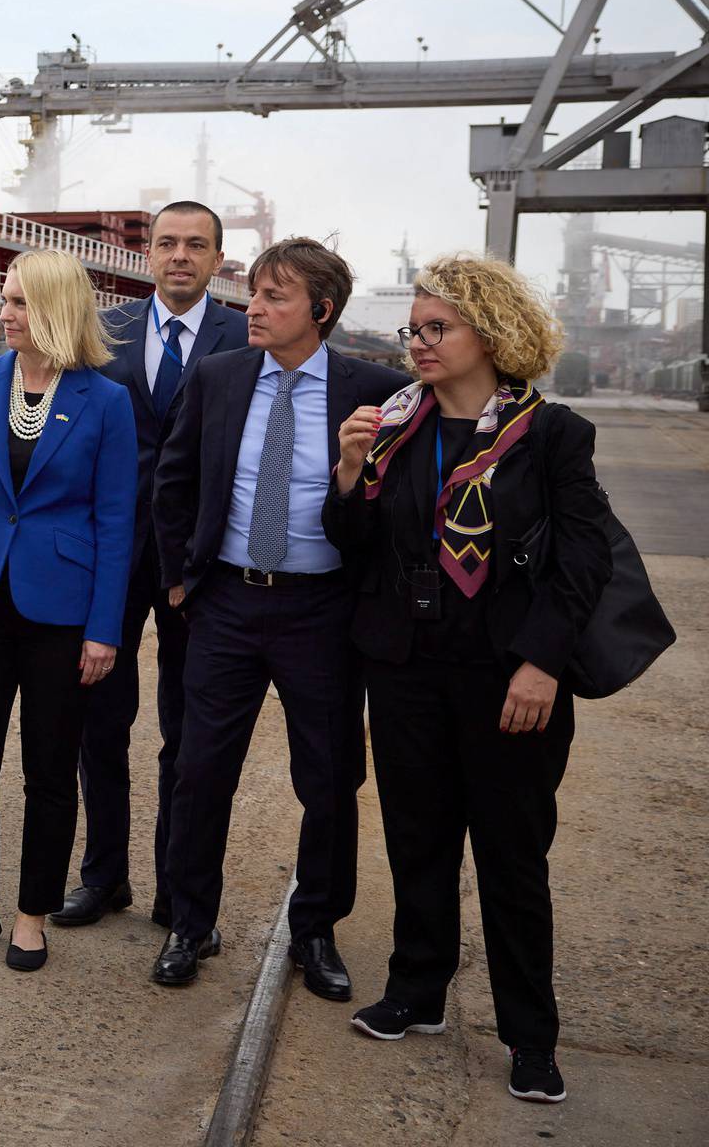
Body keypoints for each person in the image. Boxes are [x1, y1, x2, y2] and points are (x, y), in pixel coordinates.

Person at [324, 256, 607, 1104]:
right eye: (414, 330)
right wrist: (348, 472)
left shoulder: (552, 435)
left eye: (435, 328)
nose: (418, 344)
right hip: (407, 670)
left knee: (512, 857)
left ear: (490, 333)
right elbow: (353, 545)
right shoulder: (394, 427)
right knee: (417, 839)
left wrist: (542, 663)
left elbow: (582, 561)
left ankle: (530, 1034)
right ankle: (418, 991)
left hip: (507, 677)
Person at [150, 236, 405, 995]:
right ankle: (190, 924)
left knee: (328, 780)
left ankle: (317, 930)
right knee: (200, 773)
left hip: (320, 612)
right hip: (225, 603)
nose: (252, 308)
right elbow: (173, 481)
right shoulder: (220, 377)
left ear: (320, 311)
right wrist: (179, 584)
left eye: (273, 297)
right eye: (254, 294)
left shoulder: (377, 392)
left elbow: (388, 514)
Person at [0, 249, 135, 972]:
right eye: (4, 301)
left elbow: (115, 523)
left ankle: (32, 914)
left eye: (14, 302)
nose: (1, 314)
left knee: (49, 769)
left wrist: (105, 630)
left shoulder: (105, 401)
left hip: (61, 613)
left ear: (53, 311)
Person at [56, 201, 246, 931]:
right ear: (148, 255)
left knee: (189, 729)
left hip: (202, 561)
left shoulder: (243, 337)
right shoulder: (107, 332)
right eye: (167, 243)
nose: (179, 256)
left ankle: (178, 885)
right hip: (112, 553)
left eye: (196, 246)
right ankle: (104, 877)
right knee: (99, 721)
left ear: (217, 260)